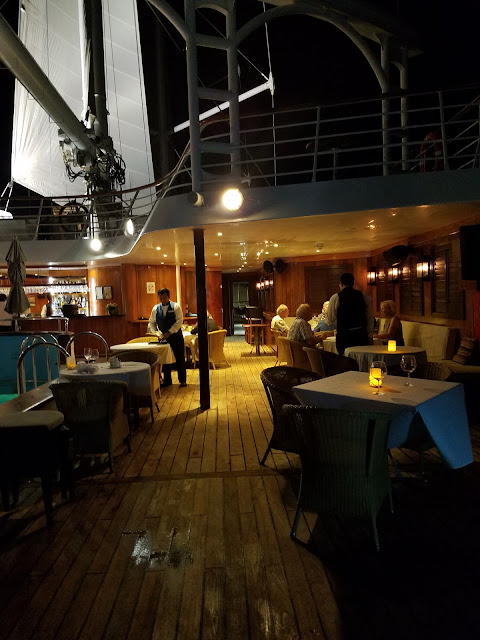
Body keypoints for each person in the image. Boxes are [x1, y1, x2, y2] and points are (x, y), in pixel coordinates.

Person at [326, 273, 374, 356]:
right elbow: (370, 317)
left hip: (344, 337)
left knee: (345, 359)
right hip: (361, 335)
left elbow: (330, 319)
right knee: (360, 359)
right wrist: (370, 335)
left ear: (341, 284)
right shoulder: (363, 296)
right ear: (353, 283)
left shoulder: (336, 297)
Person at [147, 288, 187, 387]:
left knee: (180, 358)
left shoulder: (176, 306)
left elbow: (179, 322)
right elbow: (151, 323)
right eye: (160, 298)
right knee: (165, 359)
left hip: (176, 336)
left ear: (168, 297)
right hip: (163, 337)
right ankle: (167, 380)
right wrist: (157, 333)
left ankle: (182, 380)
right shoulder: (156, 308)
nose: (162, 300)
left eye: (164, 297)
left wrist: (169, 332)